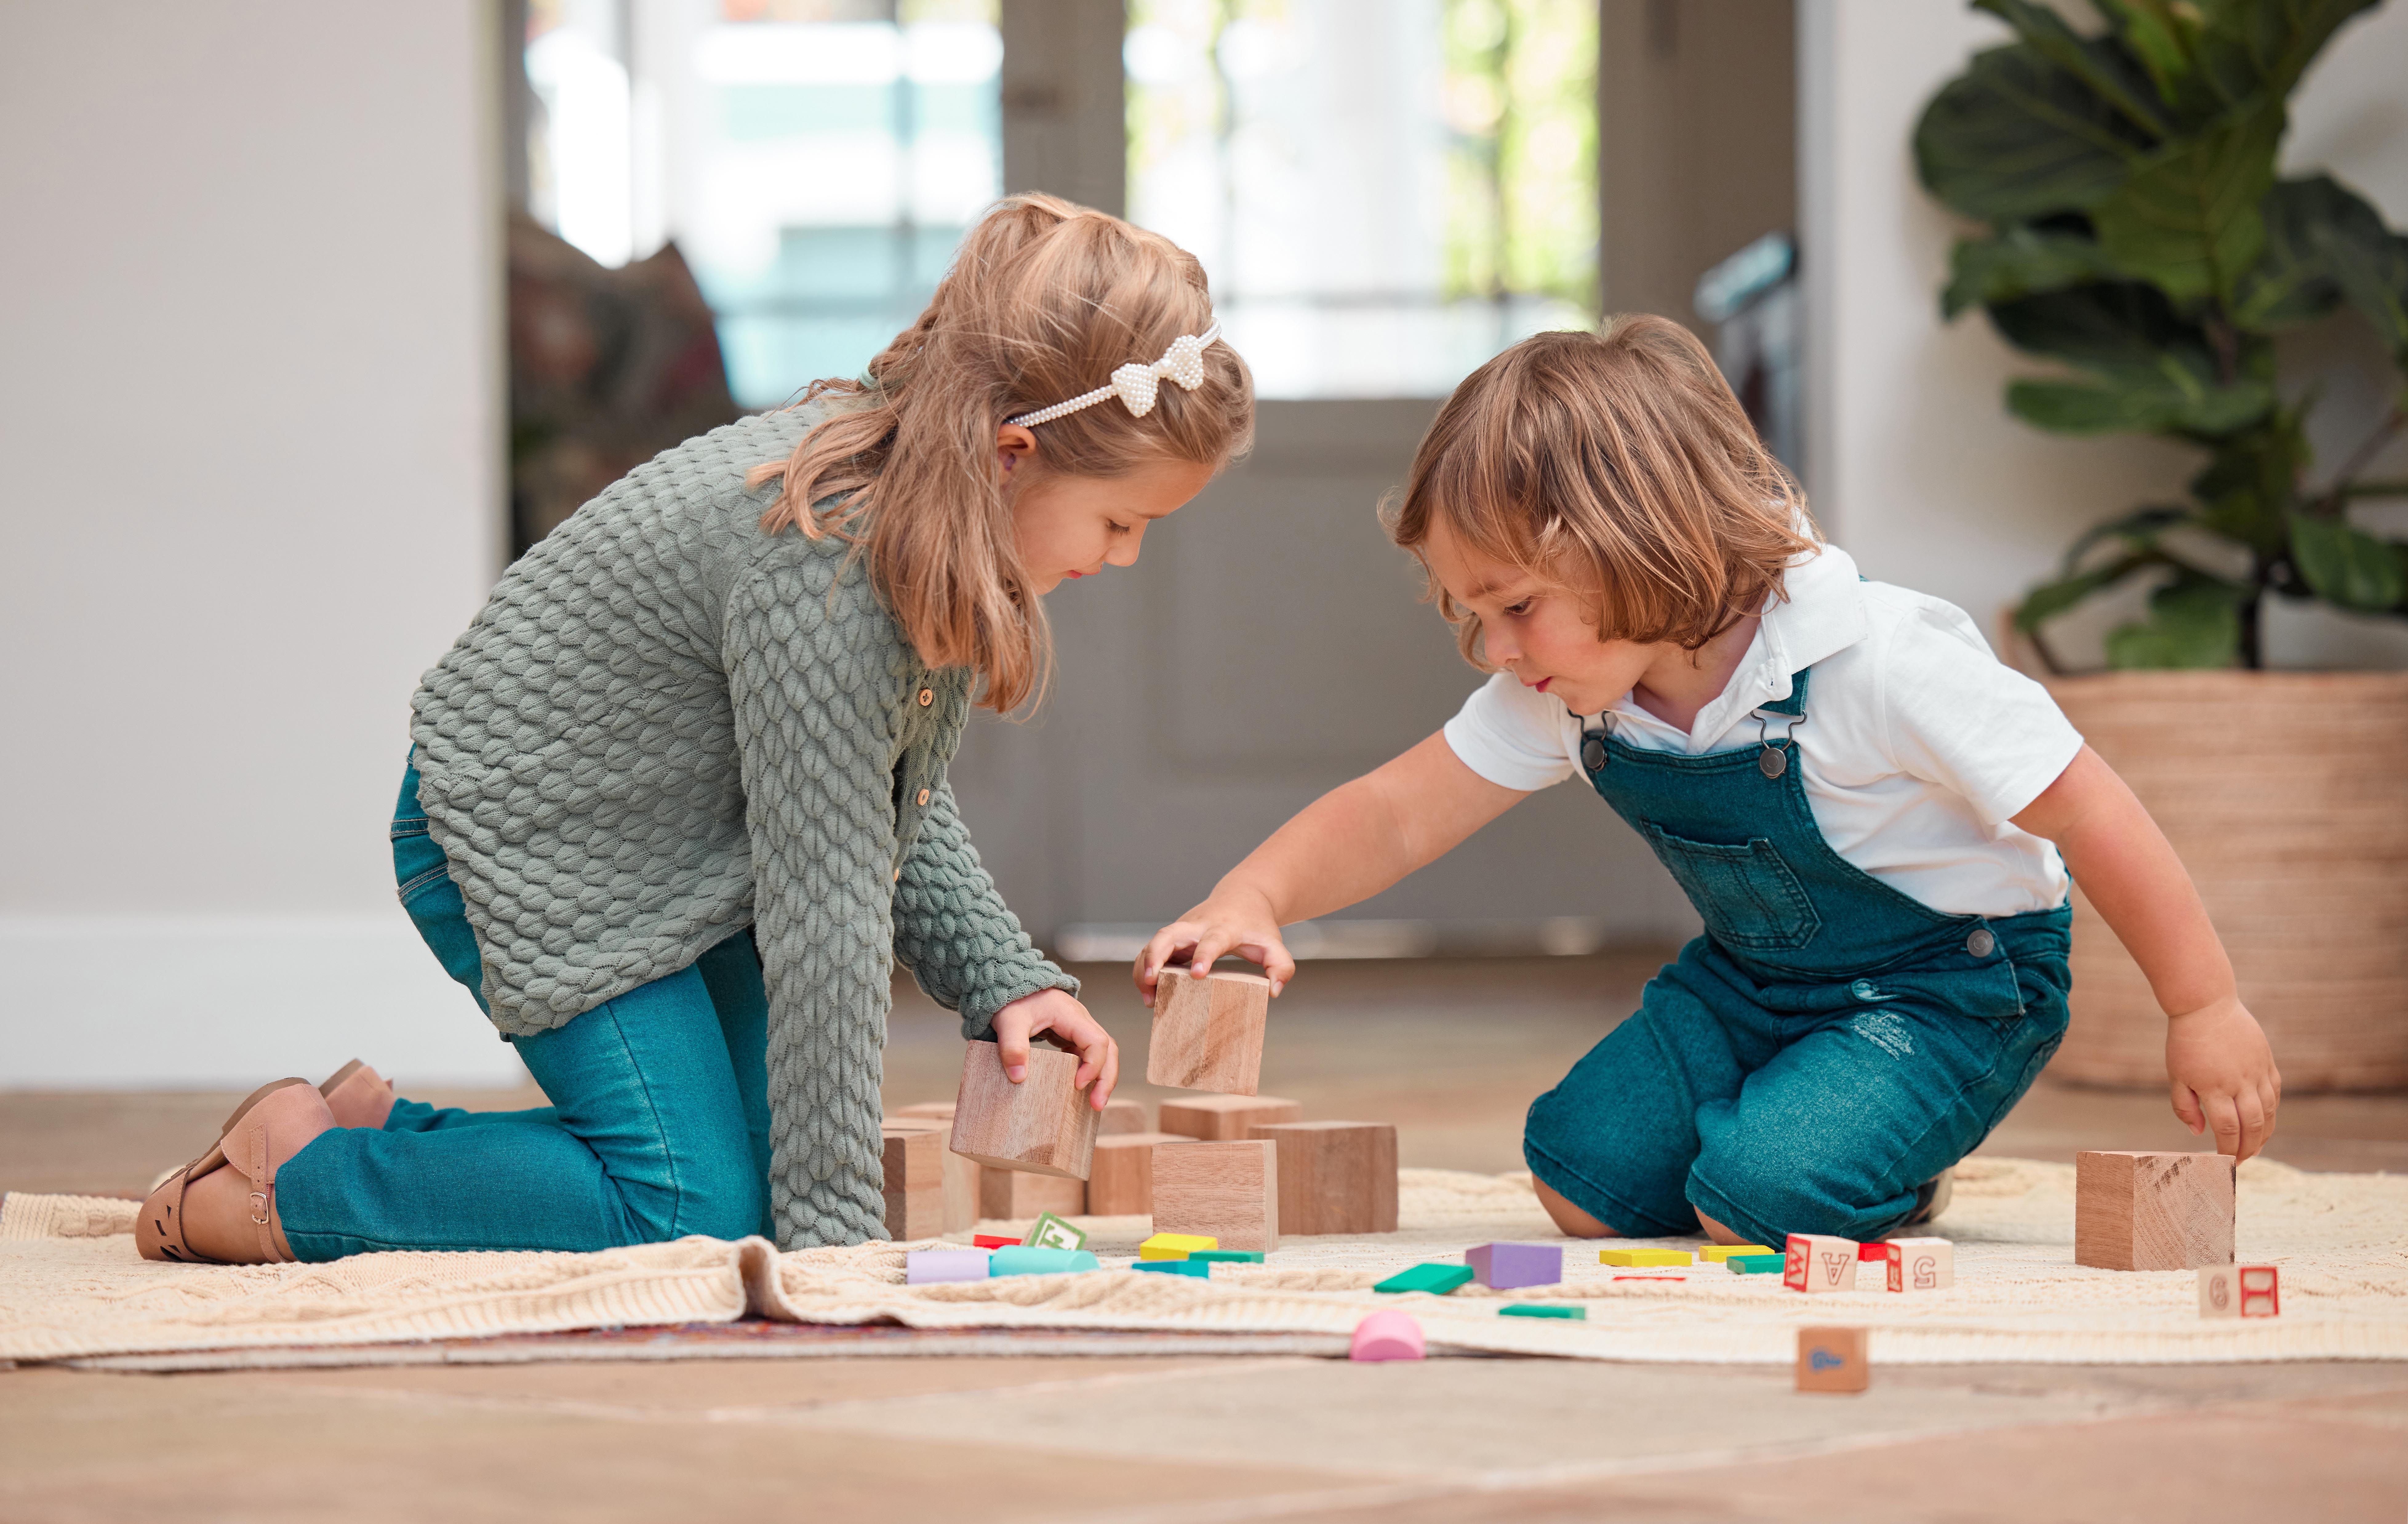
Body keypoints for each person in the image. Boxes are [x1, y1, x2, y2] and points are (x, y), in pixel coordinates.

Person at [139, 194, 1254, 1264]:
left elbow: (878, 794)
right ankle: (282, 1197)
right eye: (1121, 521)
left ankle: (367, 1144)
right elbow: (828, 905)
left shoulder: (921, 505)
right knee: (690, 1209)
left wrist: (1003, 980)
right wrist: (833, 1246)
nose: (1122, 556)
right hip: (530, 850)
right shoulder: (825, 559)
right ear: (1014, 454)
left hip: (674, 854)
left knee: (748, 1185)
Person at [1136, 316, 2278, 1248]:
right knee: (1577, 1178)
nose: (1496, 651)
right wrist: (1253, 898)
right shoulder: (1571, 690)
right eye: (1474, 617)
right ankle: (1798, 1128)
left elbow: (2088, 806)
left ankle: (1872, 1162)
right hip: (1753, 985)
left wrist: (2204, 1007)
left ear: (1637, 542)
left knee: (1759, 1203)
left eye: (1515, 607)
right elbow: (1394, 811)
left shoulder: (1880, 662)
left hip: (1952, 994)